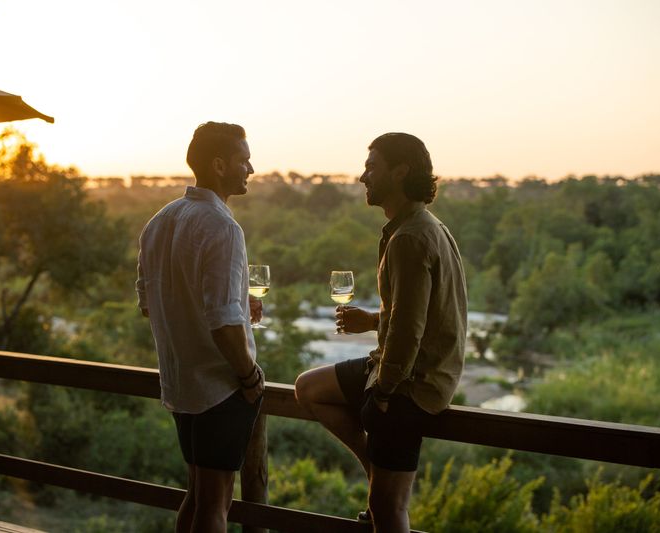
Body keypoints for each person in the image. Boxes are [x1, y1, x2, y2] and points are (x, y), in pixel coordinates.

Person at [294, 132, 467, 532]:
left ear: (401, 171)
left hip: (409, 385)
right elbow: (419, 313)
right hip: (400, 371)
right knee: (308, 388)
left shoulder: (410, 238)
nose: (362, 176)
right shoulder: (422, 227)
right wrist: (373, 321)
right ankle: (376, 463)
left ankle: (382, 474)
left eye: (372, 167)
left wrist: (384, 393)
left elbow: (408, 332)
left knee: (387, 508)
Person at [136, 121, 264, 533]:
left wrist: (239, 299)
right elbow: (224, 323)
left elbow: (152, 304)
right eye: (244, 160)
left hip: (179, 382)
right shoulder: (223, 227)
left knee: (196, 492)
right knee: (216, 501)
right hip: (218, 388)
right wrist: (249, 375)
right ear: (219, 164)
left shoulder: (160, 221)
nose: (251, 168)